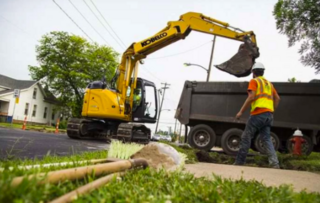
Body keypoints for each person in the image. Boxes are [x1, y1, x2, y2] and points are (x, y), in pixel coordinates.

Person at [234, 62, 280, 169]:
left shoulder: (254, 81)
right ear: (263, 72)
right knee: (266, 139)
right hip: (269, 115)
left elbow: (251, 97)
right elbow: (277, 98)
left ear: (253, 72)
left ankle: (239, 162)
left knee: (246, 137)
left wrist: (240, 112)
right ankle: (275, 164)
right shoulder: (269, 84)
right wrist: (272, 110)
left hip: (258, 114)